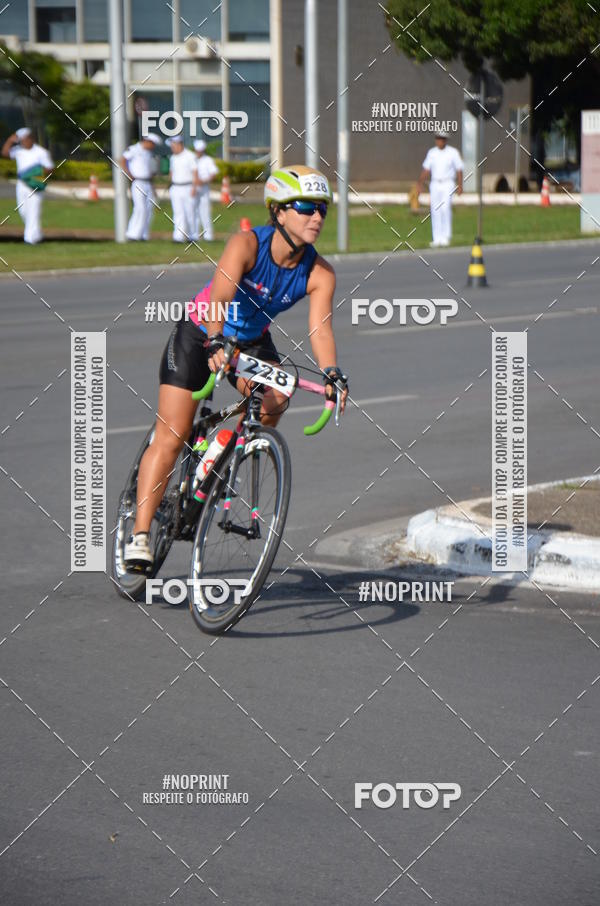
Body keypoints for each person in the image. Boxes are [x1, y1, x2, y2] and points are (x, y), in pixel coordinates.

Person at [124, 164, 349, 569]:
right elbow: (220, 297)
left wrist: (332, 373)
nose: (317, 217)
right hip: (201, 333)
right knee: (172, 437)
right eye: (305, 207)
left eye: (322, 209)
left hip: (250, 344)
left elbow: (320, 329)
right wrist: (215, 340)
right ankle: (140, 535)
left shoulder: (320, 272)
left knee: (277, 399)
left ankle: (221, 450)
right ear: (278, 211)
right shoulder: (246, 244)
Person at [1, 127, 53, 244]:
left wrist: (36, 174)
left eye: (24, 139)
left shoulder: (41, 152)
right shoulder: (18, 150)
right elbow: (5, 153)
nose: (22, 142)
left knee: (33, 211)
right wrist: (10, 141)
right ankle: (37, 235)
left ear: (30, 139)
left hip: (35, 184)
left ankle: (30, 239)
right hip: (21, 184)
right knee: (23, 210)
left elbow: (49, 168)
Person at [417, 130, 463, 247]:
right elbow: (426, 169)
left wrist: (460, 185)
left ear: (445, 140)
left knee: (445, 208)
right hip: (435, 183)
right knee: (435, 210)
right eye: (438, 139)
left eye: (442, 139)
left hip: (447, 183)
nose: (440, 141)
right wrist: (420, 183)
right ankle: (437, 238)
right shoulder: (432, 153)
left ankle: (446, 236)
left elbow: (459, 169)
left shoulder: (452, 153)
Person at [121, 133, 162, 241]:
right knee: (140, 208)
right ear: (148, 142)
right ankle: (133, 234)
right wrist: (129, 174)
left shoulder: (148, 153)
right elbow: (123, 160)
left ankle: (144, 234)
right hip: (138, 182)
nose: (153, 147)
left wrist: (153, 188)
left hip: (148, 182)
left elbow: (148, 171)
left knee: (149, 209)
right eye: (153, 144)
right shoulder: (134, 149)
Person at [167, 134, 198, 242]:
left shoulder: (190, 155)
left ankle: (193, 235)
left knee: (190, 212)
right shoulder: (173, 157)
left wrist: (194, 187)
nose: (172, 148)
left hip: (188, 186)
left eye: (173, 145)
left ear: (179, 144)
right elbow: (171, 172)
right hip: (176, 187)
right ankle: (178, 236)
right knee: (178, 213)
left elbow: (195, 172)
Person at [193, 139, 218, 241]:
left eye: (200, 150)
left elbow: (213, 174)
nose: (199, 152)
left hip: (203, 188)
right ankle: (194, 235)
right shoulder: (191, 159)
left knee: (205, 212)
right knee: (194, 212)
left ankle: (208, 236)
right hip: (192, 188)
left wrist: (203, 181)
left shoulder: (208, 160)